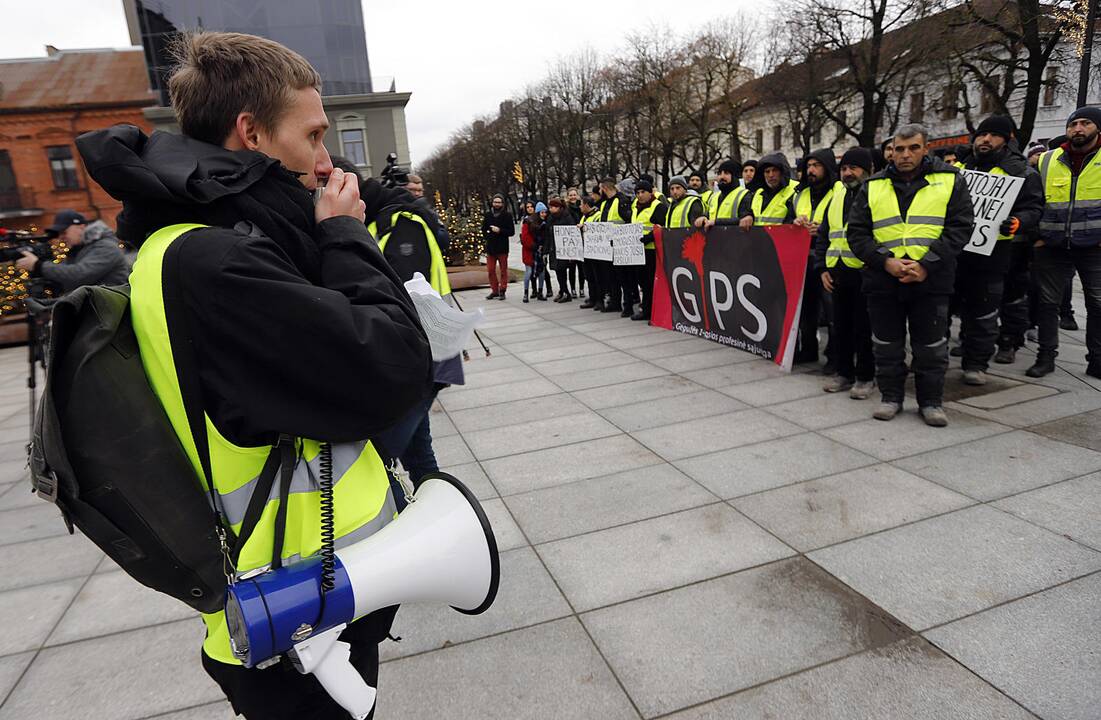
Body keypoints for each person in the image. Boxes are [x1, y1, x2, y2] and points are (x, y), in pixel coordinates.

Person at [75, 31, 432, 718]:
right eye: (314, 135)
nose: (326, 159)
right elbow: (392, 367)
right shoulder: (216, 261)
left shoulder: (195, 242)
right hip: (292, 608)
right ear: (252, 134)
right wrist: (346, 237)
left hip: (305, 587)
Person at [847, 124, 974, 427]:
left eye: (913, 148)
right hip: (883, 279)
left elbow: (960, 227)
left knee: (930, 347)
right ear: (891, 151)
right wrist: (885, 261)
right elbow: (857, 232)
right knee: (886, 344)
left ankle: (930, 402)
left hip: (931, 279)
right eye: (899, 149)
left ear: (925, 148)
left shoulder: (949, 180)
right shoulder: (873, 184)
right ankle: (891, 397)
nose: (905, 155)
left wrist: (926, 264)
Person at [952, 115, 1043, 384]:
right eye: (982, 134)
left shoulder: (1022, 172)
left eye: (993, 135)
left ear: (1007, 140)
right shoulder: (958, 168)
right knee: (946, 307)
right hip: (955, 253)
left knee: (983, 310)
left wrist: (1018, 222)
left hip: (993, 255)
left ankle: (976, 364)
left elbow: (1034, 208)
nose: (985, 140)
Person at [1028, 107, 1101, 379]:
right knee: (1047, 303)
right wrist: (1037, 235)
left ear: (1097, 129)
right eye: (1074, 124)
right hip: (1052, 243)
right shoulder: (1047, 160)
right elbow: (1034, 201)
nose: (1078, 129)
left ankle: (1097, 359)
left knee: (1097, 304)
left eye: (1086, 123)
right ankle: (1045, 357)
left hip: (1094, 246)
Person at [815, 148, 876, 399]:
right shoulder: (837, 196)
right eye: (844, 169)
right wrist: (822, 268)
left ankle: (865, 376)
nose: (848, 173)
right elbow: (824, 235)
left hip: (865, 271)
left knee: (863, 328)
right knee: (839, 327)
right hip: (838, 271)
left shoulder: (875, 194)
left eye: (854, 168)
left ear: (867, 169)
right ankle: (843, 372)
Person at [792, 149, 838, 364]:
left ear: (827, 168)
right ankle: (808, 349)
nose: (811, 170)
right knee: (807, 309)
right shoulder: (800, 194)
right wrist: (795, 224)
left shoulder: (839, 191)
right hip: (804, 257)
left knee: (832, 311)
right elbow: (786, 220)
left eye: (816, 166)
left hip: (830, 258)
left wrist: (822, 230)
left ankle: (834, 355)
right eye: (808, 166)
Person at [17, 210, 129, 292]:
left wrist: (38, 265)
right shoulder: (79, 250)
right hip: (97, 312)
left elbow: (79, 275)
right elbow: (67, 282)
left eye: (64, 232)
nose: (61, 237)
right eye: (59, 234)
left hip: (111, 313)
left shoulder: (106, 247)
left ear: (81, 227)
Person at [630, 178, 668, 321]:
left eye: (643, 192)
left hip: (653, 251)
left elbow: (662, 227)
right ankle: (646, 308)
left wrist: (649, 237)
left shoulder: (658, 206)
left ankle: (650, 310)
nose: (640, 195)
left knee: (651, 282)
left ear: (650, 192)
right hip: (640, 251)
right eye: (637, 192)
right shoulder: (636, 207)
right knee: (643, 283)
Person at [597, 176, 632, 314]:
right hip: (608, 246)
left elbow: (628, 220)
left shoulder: (621, 200)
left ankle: (627, 305)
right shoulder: (605, 203)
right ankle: (615, 302)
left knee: (624, 278)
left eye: (600, 188)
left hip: (620, 245)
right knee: (611, 277)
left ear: (604, 188)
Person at [738, 153, 797, 229]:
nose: (771, 175)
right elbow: (750, 211)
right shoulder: (758, 193)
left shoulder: (795, 189)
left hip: (783, 238)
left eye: (774, 170)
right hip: (759, 238)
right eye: (767, 171)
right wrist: (748, 215)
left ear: (782, 172)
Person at [697, 159, 749, 229]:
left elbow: (744, 220)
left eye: (726, 173)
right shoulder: (714, 196)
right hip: (715, 238)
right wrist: (703, 217)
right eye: (719, 173)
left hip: (735, 237)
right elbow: (710, 213)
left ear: (735, 176)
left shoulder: (744, 195)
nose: (722, 177)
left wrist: (716, 222)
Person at [482, 193, 514, 300]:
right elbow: (483, 229)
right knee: (490, 270)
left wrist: (500, 230)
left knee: (503, 270)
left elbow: (511, 232)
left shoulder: (507, 215)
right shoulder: (488, 215)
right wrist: (487, 236)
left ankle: (502, 290)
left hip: (502, 247)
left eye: (499, 202)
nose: (497, 204)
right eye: (495, 202)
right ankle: (494, 290)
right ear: (492, 203)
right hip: (491, 247)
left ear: (502, 204)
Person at [578, 193, 603, 310]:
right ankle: (592, 298)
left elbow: (599, 231)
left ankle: (600, 300)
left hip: (596, 252)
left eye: (581, 204)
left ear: (587, 205)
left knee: (598, 277)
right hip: (586, 251)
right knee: (589, 276)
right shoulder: (584, 216)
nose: (579, 207)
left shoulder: (598, 215)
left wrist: (585, 229)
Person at [548, 197, 575, 302]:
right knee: (558, 271)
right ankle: (562, 290)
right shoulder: (551, 218)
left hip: (564, 249)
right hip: (554, 248)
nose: (550, 209)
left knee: (562, 271)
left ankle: (566, 293)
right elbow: (548, 234)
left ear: (558, 207)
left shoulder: (567, 217)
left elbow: (571, 231)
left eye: (552, 207)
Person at [520, 200, 539, 302]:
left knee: (539, 271)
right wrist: (532, 245)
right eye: (528, 207)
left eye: (532, 206)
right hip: (528, 249)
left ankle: (538, 290)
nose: (530, 208)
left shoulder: (538, 218)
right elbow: (524, 236)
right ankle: (526, 292)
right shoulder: (526, 220)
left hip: (536, 249)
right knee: (529, 272)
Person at [532, 202, 552, 301]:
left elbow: (547, 237)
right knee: (535, 270)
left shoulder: (547, 223)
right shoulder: (535, 223)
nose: (544, 214)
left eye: (545, 212)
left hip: (544, 249)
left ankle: (548, 289)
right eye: (542, 212)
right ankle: (535, 290)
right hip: (536, 249)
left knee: (544, 270)